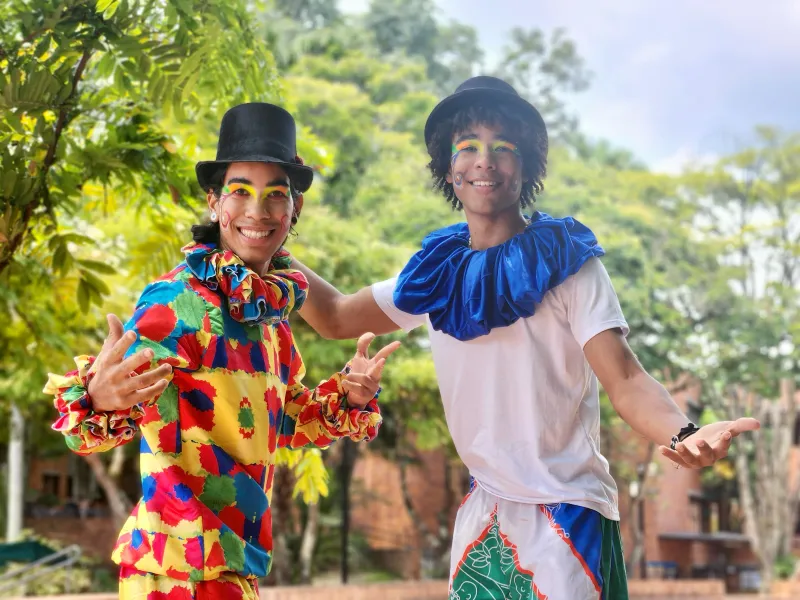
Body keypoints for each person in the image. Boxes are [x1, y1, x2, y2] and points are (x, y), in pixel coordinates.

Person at [87, 79, 759, 599]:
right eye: (468, 147)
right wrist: (258, 240)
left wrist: (682, 431)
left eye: (503, 147)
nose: (485, 161)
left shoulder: (569, 262)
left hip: (567, 511)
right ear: (447, 165)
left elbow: (626, 378)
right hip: (481, 512)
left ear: (526, 163)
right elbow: (338, 315)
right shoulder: (436, 272)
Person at [44, 103, 399, 600]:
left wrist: (350, 396)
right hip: (176, 570)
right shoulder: (177, 301)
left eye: (276, 194)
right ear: (214, 202)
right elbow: (87, 427)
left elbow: (285, 421)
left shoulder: (272, 320)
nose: (258, 211)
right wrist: (98, 398)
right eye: (240, 191)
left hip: (230, 567)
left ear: (294, 208)